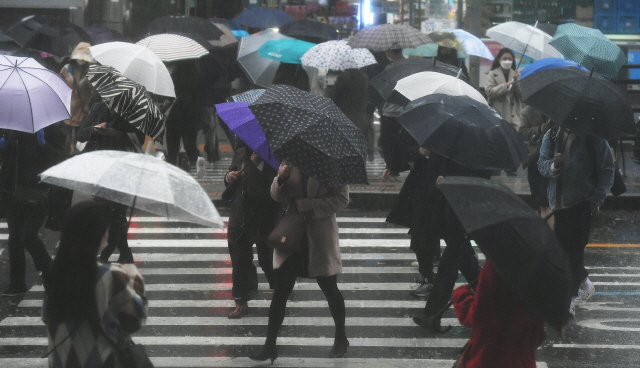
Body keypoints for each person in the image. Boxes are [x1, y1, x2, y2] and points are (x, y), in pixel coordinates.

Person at [250, 163, 350, 362]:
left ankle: (341, 338)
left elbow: (342, 199)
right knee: (280, 292)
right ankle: (270, 345)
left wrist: (313, 205)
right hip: (292, 234)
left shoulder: (331, 164)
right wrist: (281, 178)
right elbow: (275, 195)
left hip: (319, 236)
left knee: (330, 288)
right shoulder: (291, 160)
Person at [42, 201, 148, 367]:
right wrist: (134, 278)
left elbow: (47, 317)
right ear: (98, 233)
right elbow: (136, 319)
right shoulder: (112, 276)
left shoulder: (56, 273)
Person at [538, 126, 614, 315]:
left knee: (573, 249)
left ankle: (569, 299)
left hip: (581, 203)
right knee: (566, 251)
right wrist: (554, 166)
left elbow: (607, 169)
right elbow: (541, 165)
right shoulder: (553, 135)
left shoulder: (592, 138)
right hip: (558, 203)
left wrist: (597, 199)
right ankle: (585, 283)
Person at [412, 154, 488, 331]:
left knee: (448, 265)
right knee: (468, 264)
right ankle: (496, 306)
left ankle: (432, 315)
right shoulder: (455, 148)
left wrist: (449, 182)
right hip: (450, 213)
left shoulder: (479, 155)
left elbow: (479, 183)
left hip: (463, 215)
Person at [76, 96, 145, 264]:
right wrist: (95, 129)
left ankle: (106, 255)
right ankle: (125, 253)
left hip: (124, 167)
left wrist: (118, 134)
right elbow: (80, 133)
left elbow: (139, 139)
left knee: (117, 213)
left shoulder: (131, 111)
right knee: (110, 212)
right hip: (101, 167)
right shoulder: (98, 108)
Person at [0, 128, 65, 297]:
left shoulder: (50, 130)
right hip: (12, 193)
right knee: (14, 240)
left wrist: (43, 144)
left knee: (28, 236)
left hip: (37, 193)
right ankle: (17, 283)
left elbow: (60, 159)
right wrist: (5, 144)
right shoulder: (10, 130)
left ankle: (51, 271)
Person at [452, 261, 545, 368]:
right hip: (522, 359)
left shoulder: (497, 265)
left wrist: (462, 295)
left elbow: (481, 314)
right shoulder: (542, 271)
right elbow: (538, 333)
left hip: (493, 356)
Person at [224, 141, 279, 318]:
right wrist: (230, 176)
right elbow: (229, 176)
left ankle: (280, 292)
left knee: (267, 259)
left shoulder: (274, 151)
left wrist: (260, 164)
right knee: (240, 259)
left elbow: (279, 183)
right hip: (241, 215)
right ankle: (241, 301)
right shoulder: (241, 151)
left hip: (265, 216)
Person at [387, 147, 442, 298]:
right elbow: (408, 153)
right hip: (421, 194)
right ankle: (429, 279)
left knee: (427, 239)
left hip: (437, 196)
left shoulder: (449, 145)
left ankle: (431, 280)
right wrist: (421, 153)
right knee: (421, 238)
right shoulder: (429, 137)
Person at [519, 106, 553, 226]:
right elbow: (522, 132)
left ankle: (550, 237)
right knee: (539, 201)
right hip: (535, 159)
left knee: (545, 203)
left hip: (552, 159)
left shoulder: (556, 110)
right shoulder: (527, 111)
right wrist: (539, 129)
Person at [328, 69, 373, 159]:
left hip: (343, 116)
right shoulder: (363, 78)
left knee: (344, 146)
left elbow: (333, 96)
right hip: (360, 116)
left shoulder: (342, 78)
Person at [379, 49, 408, 178]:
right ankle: (394, 167)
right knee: (398, 142)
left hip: (391, 111)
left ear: (392, 52)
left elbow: (383, 88)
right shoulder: (409, 66)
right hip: (403, 111)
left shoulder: (390, 68)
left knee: (388, 142)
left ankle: (392, 167)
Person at [485, 48, 522, 132]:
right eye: (504, 59)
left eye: (510, 59)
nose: (507, 61)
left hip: (513, 118)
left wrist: (515, 82)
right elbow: (490, 92)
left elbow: (521, 96)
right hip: (497, 115)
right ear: (499, 60)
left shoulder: (516, 75)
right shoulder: (493, 74)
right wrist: (505, 86)